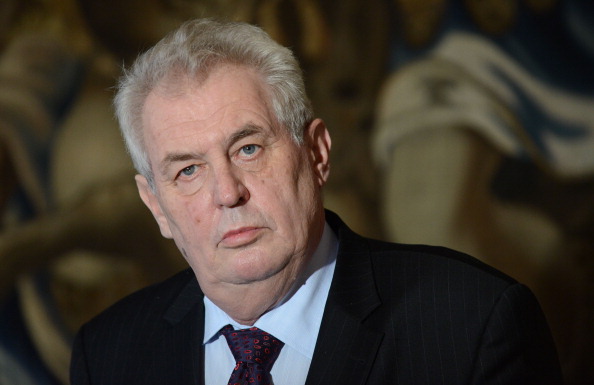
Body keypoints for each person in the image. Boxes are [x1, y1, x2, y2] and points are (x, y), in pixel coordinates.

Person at [69, 18, 562, 385]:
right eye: (188, 170)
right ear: (155, 204)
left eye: (248, 148)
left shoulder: (473, 323)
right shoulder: (108, 353)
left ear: (318, 153)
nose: (227, 193)